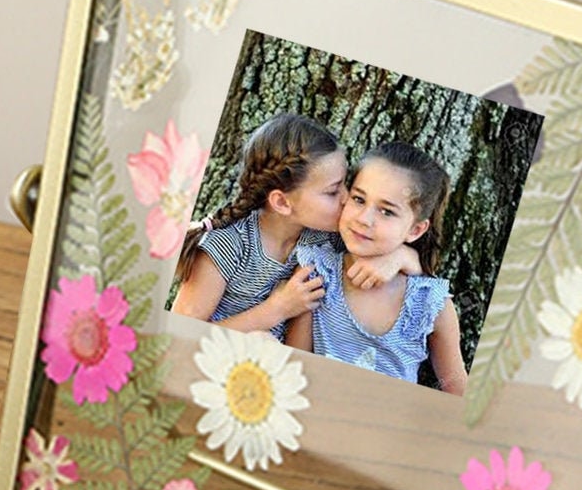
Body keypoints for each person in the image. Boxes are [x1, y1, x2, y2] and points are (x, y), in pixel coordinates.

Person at [171, 114, 415, 337]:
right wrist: (277, 309)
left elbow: (394, 254)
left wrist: (400, 257)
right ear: (282, 202)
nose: (346, 198)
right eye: (332, 191)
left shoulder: (324, 238)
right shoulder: (227, 246)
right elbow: (179, 335)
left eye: (345, 184)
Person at [285, 142, 468, 394]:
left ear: (415, 230)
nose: (364, 219)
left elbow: (457, 389)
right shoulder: (316, 274)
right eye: (359, 199)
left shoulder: (430, 303)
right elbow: (294, 363)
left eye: (387, 212)